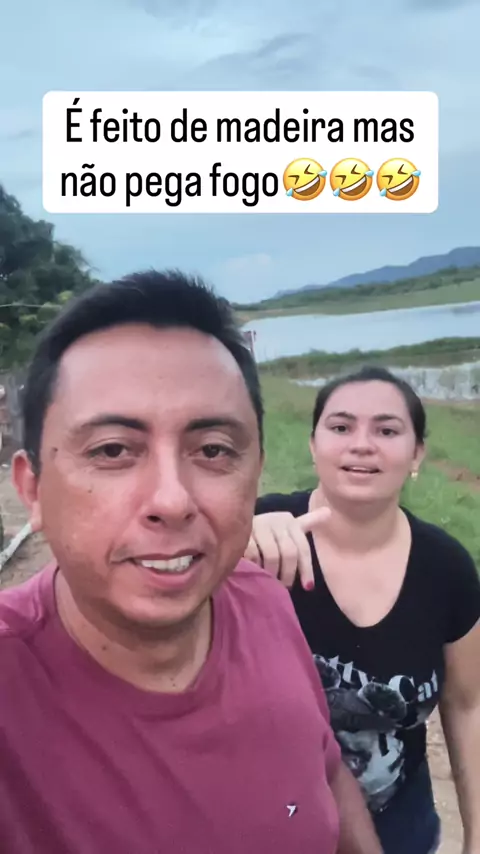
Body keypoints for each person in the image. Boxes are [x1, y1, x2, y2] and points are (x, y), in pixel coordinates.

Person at [0, 271, 382, 854]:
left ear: (255, 474)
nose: (172, 500)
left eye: (212, 450)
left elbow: (324, 768)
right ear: (33, 490)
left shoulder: (262, 597)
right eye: (112, 450)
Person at [247, 366, 480, 854]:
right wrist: (226, 552)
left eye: (387, 431)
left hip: (400, 826)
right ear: (313, 444)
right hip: (270, 823)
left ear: (417, 454)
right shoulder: (255, 538)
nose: (361, 445)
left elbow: (467, 705)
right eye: (341, 426)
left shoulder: (446, 567)